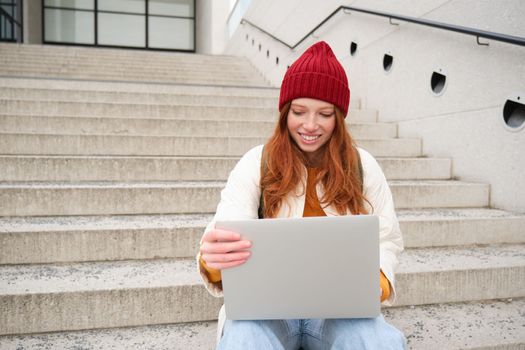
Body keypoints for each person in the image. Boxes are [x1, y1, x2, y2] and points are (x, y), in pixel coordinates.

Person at [196, 41, 406, 350]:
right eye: (299, 112)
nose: (310, 125)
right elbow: (228, 227)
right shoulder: (256, 162)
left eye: (324, 114)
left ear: (339, 118)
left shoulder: (363, 166)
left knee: (373, 340)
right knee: (245, 339)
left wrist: (377, 282)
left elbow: (387, 239)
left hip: (338, 309)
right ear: (284, 113)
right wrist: (213, 260)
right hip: (266, 308)